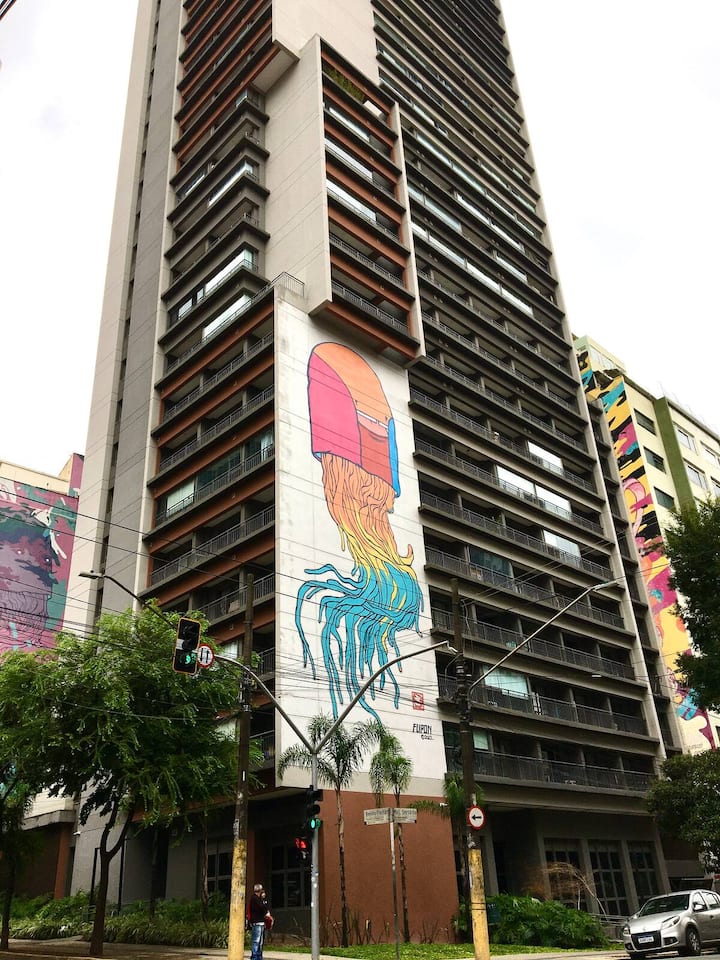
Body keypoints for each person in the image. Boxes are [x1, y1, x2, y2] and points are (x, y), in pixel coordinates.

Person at [248, 882, 272, 960]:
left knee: (260, 942)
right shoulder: (255, 898)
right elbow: (262, 907)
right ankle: (255, 957)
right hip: (257, 922)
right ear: (260, 890)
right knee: (256, 941)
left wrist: (263, 899)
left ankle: (258, 956)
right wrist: (263, 900)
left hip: (260, 922)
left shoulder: (258, 899)